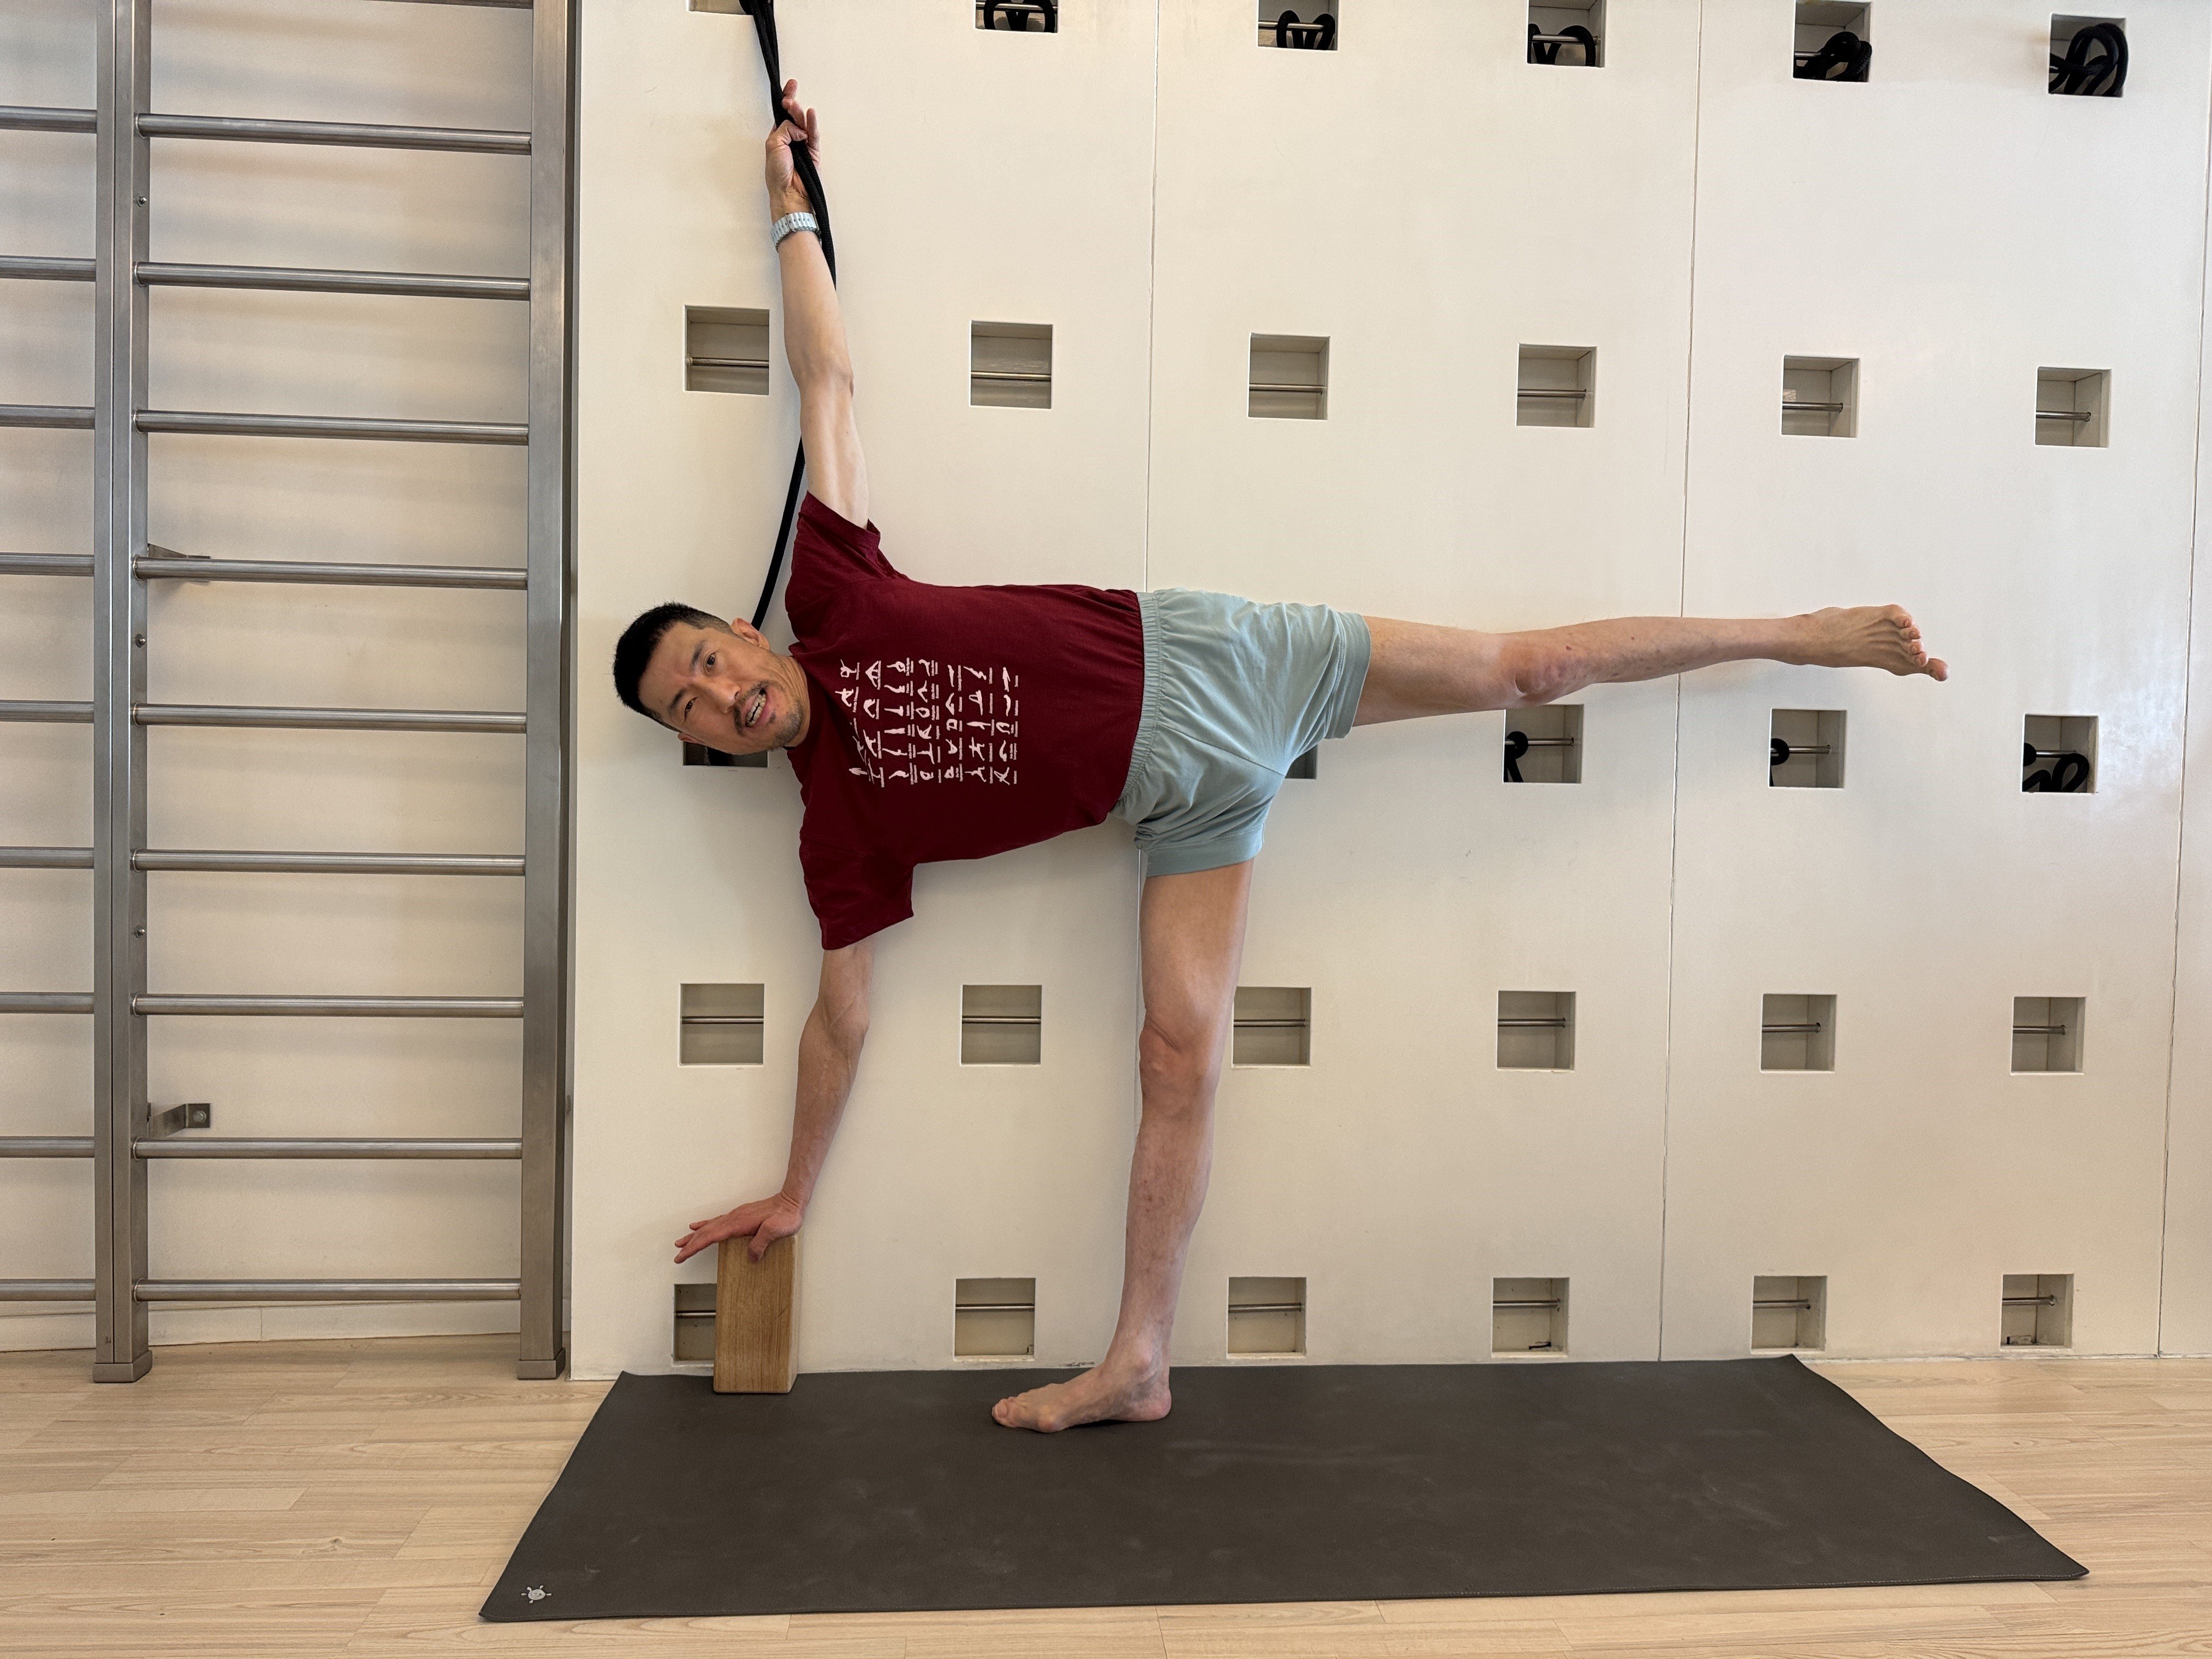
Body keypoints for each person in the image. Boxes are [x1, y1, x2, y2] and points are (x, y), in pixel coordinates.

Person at [616, 83, 1949, 1434]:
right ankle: (1139, 1363)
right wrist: (791, 1192)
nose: (721, 696)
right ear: (703, 745)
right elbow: (841, 1017)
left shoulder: (833, 591)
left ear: (742, 629)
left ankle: (1799, 633)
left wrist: (790, 203)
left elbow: (828, 381)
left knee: (1526, 671)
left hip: (1220, 659)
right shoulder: (835, 824)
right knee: (1175, 1059)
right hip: (1185, 800)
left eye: (709, 661)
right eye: (691, 709)